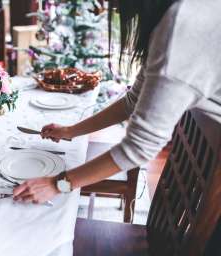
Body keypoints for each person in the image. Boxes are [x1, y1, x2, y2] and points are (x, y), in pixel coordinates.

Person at [13, 0, 221, 203]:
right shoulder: (179, 14)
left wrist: (57, 185)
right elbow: (132, 101)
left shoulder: (184, 25)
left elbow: (140, 147)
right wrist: (70, 131)